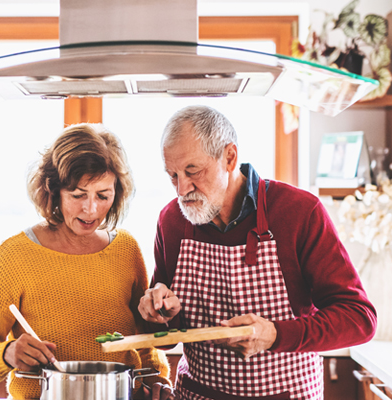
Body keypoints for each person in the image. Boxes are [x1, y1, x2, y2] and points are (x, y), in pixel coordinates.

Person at [138, 106, 376, 400]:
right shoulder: (172, 221)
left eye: (192, 171)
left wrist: (275, 335)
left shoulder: (299, 212)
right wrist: (161, 315)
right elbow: (163, 339)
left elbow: (359, 319)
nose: (182, 189)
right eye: (172, 175)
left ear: (229, 157)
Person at [0, 123, 172, 400]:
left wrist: (158, 380)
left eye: (103, 195)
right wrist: (6, 353)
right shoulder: (13, 256)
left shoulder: (126, 249)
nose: (91, 209)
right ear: (53, 190)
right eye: (77, 195)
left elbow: (143, 342)